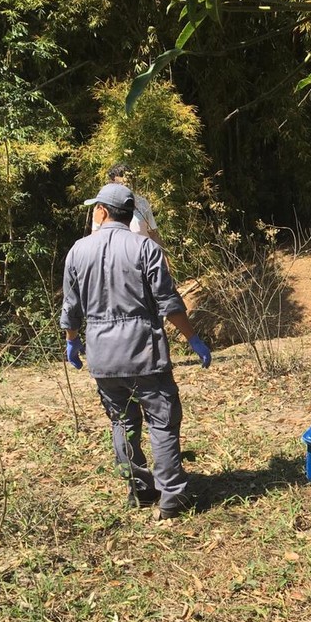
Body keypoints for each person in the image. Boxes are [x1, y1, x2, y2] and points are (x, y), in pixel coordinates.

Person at [61, 183, 213, 521]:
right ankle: (172, 498)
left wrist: (72, 340)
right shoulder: (145, 248)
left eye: (94, 208)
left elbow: (71, 309)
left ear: (102, 211)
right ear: (131, 214)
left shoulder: (77, 251)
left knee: (122, 422)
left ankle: (141, 489)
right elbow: (169, 303)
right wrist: (192, 339)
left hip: (102, 355)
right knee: (162, 422)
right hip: (144, 351)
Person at [107, 163, 164, 248]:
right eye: (118, 184)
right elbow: (97, 235)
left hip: (142, 256)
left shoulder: (142, 203)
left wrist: (164, 258)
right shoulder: (105, 205)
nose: (123, 187)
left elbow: (153, 234)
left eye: (126, 183)